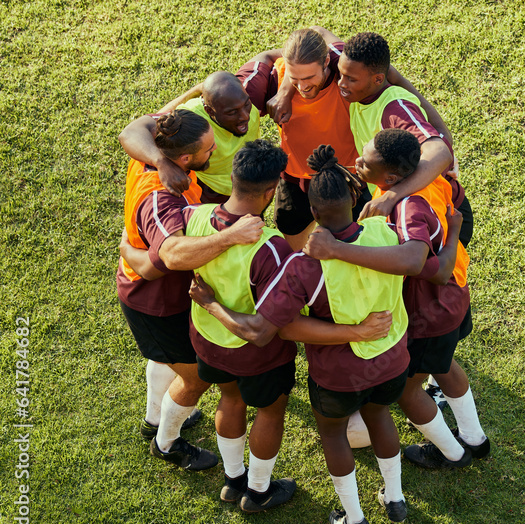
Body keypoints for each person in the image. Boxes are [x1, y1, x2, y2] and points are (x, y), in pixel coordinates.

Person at [190, 144, 411, 524]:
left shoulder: (302, 265)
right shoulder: (388, 231)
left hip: (336, 375)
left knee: (332, 435)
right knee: (381, 417)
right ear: (356, 197)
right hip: (392, 359)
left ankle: (355, 519)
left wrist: (209, 304)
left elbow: (282, 328)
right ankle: (395, 498)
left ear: (311, 212)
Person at [305, 129, 490, 469]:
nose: (357, 162)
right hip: (453, 294)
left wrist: (336, 250)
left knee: (405, 389)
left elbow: (414, 262)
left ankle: (454, 453)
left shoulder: (406, 208)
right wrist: (449, 248)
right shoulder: (425, 183)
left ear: (390, 176)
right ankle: (475, 439)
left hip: (429, 310)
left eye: (366, 161)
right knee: (443, 363)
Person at [117, 109, 265, 471]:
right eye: (208, 150)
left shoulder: (158, 144)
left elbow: (134, 127)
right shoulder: (160, 198)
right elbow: (170, 254)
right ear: (185, 158)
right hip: (153, 299)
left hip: (158, 289)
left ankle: (155, 417)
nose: (213, 154)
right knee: (196, 376)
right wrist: (231, 236)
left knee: (168, 358)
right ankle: (166, 443)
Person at [239, 27, 455, 250]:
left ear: (325, 62)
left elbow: (382, 72)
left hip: (350, 179)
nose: (302, 87)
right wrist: (286, 88)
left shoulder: (350, 75)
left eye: (309, 77)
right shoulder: (285, 78)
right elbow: (300, 42)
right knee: (292, 245)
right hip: (295, 179)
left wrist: (441, 136)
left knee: (358, 244)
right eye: (295, 79)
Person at [118, 71, 262, 202]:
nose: (245, 116)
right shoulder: (190, 119)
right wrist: (162, 163)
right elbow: (130, 133)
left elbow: (273, 56)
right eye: (232, 112)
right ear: (209, 110)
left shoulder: (243, 90)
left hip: (251, 185)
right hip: (212, 194)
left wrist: (285, 89)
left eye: (246, 104)